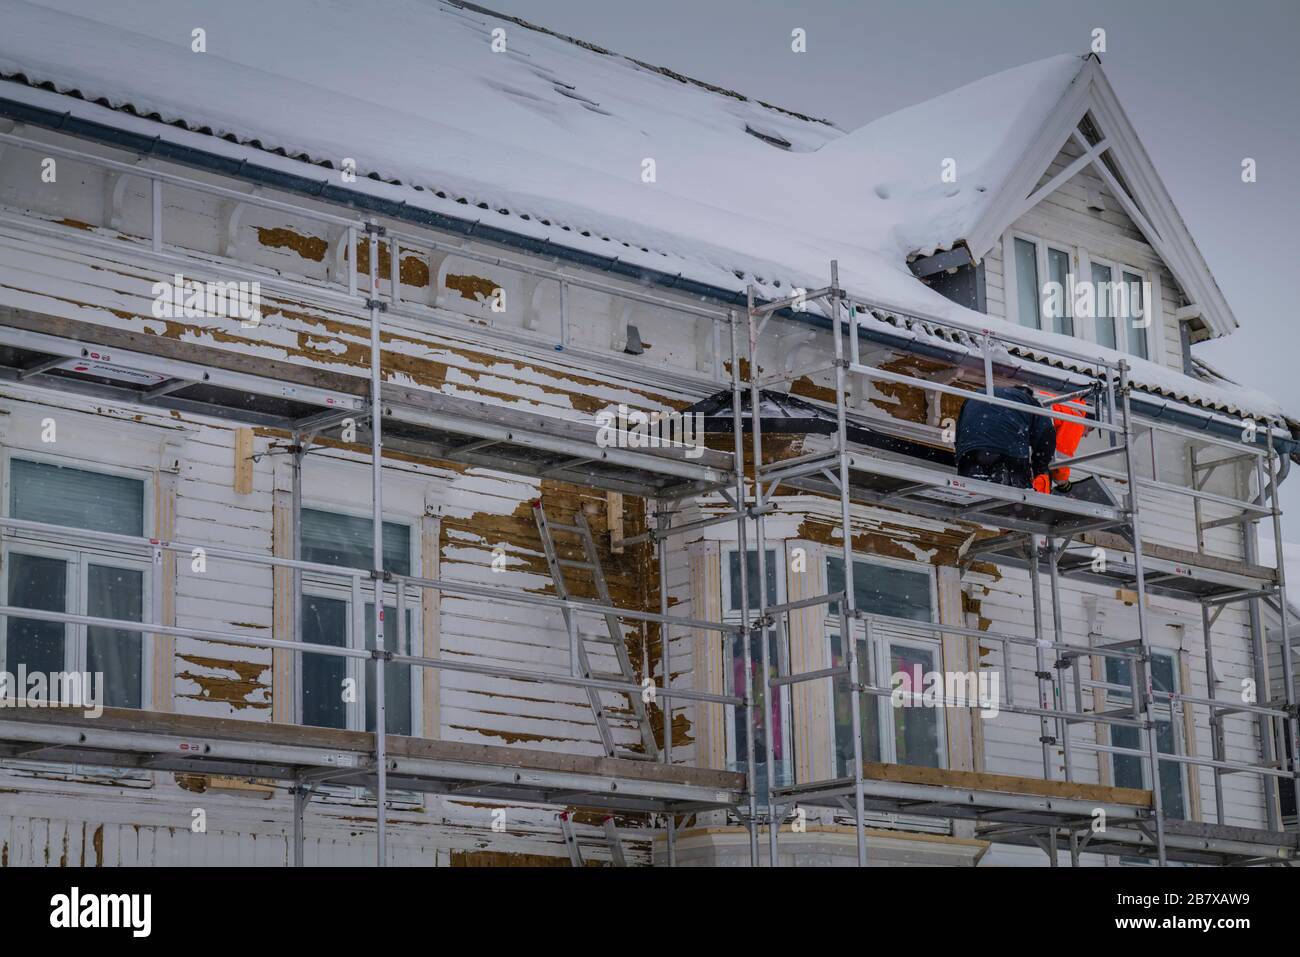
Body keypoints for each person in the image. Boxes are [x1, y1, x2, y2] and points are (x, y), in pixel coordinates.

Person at [955, 385, 1056, 488]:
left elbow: (958, 431)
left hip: (970, 450)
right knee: (1015, 494)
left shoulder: (977, 395)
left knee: (970, 489)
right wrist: (1040, 467)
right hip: (1009, 450)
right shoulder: (1030, 402)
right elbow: (1046, 435)